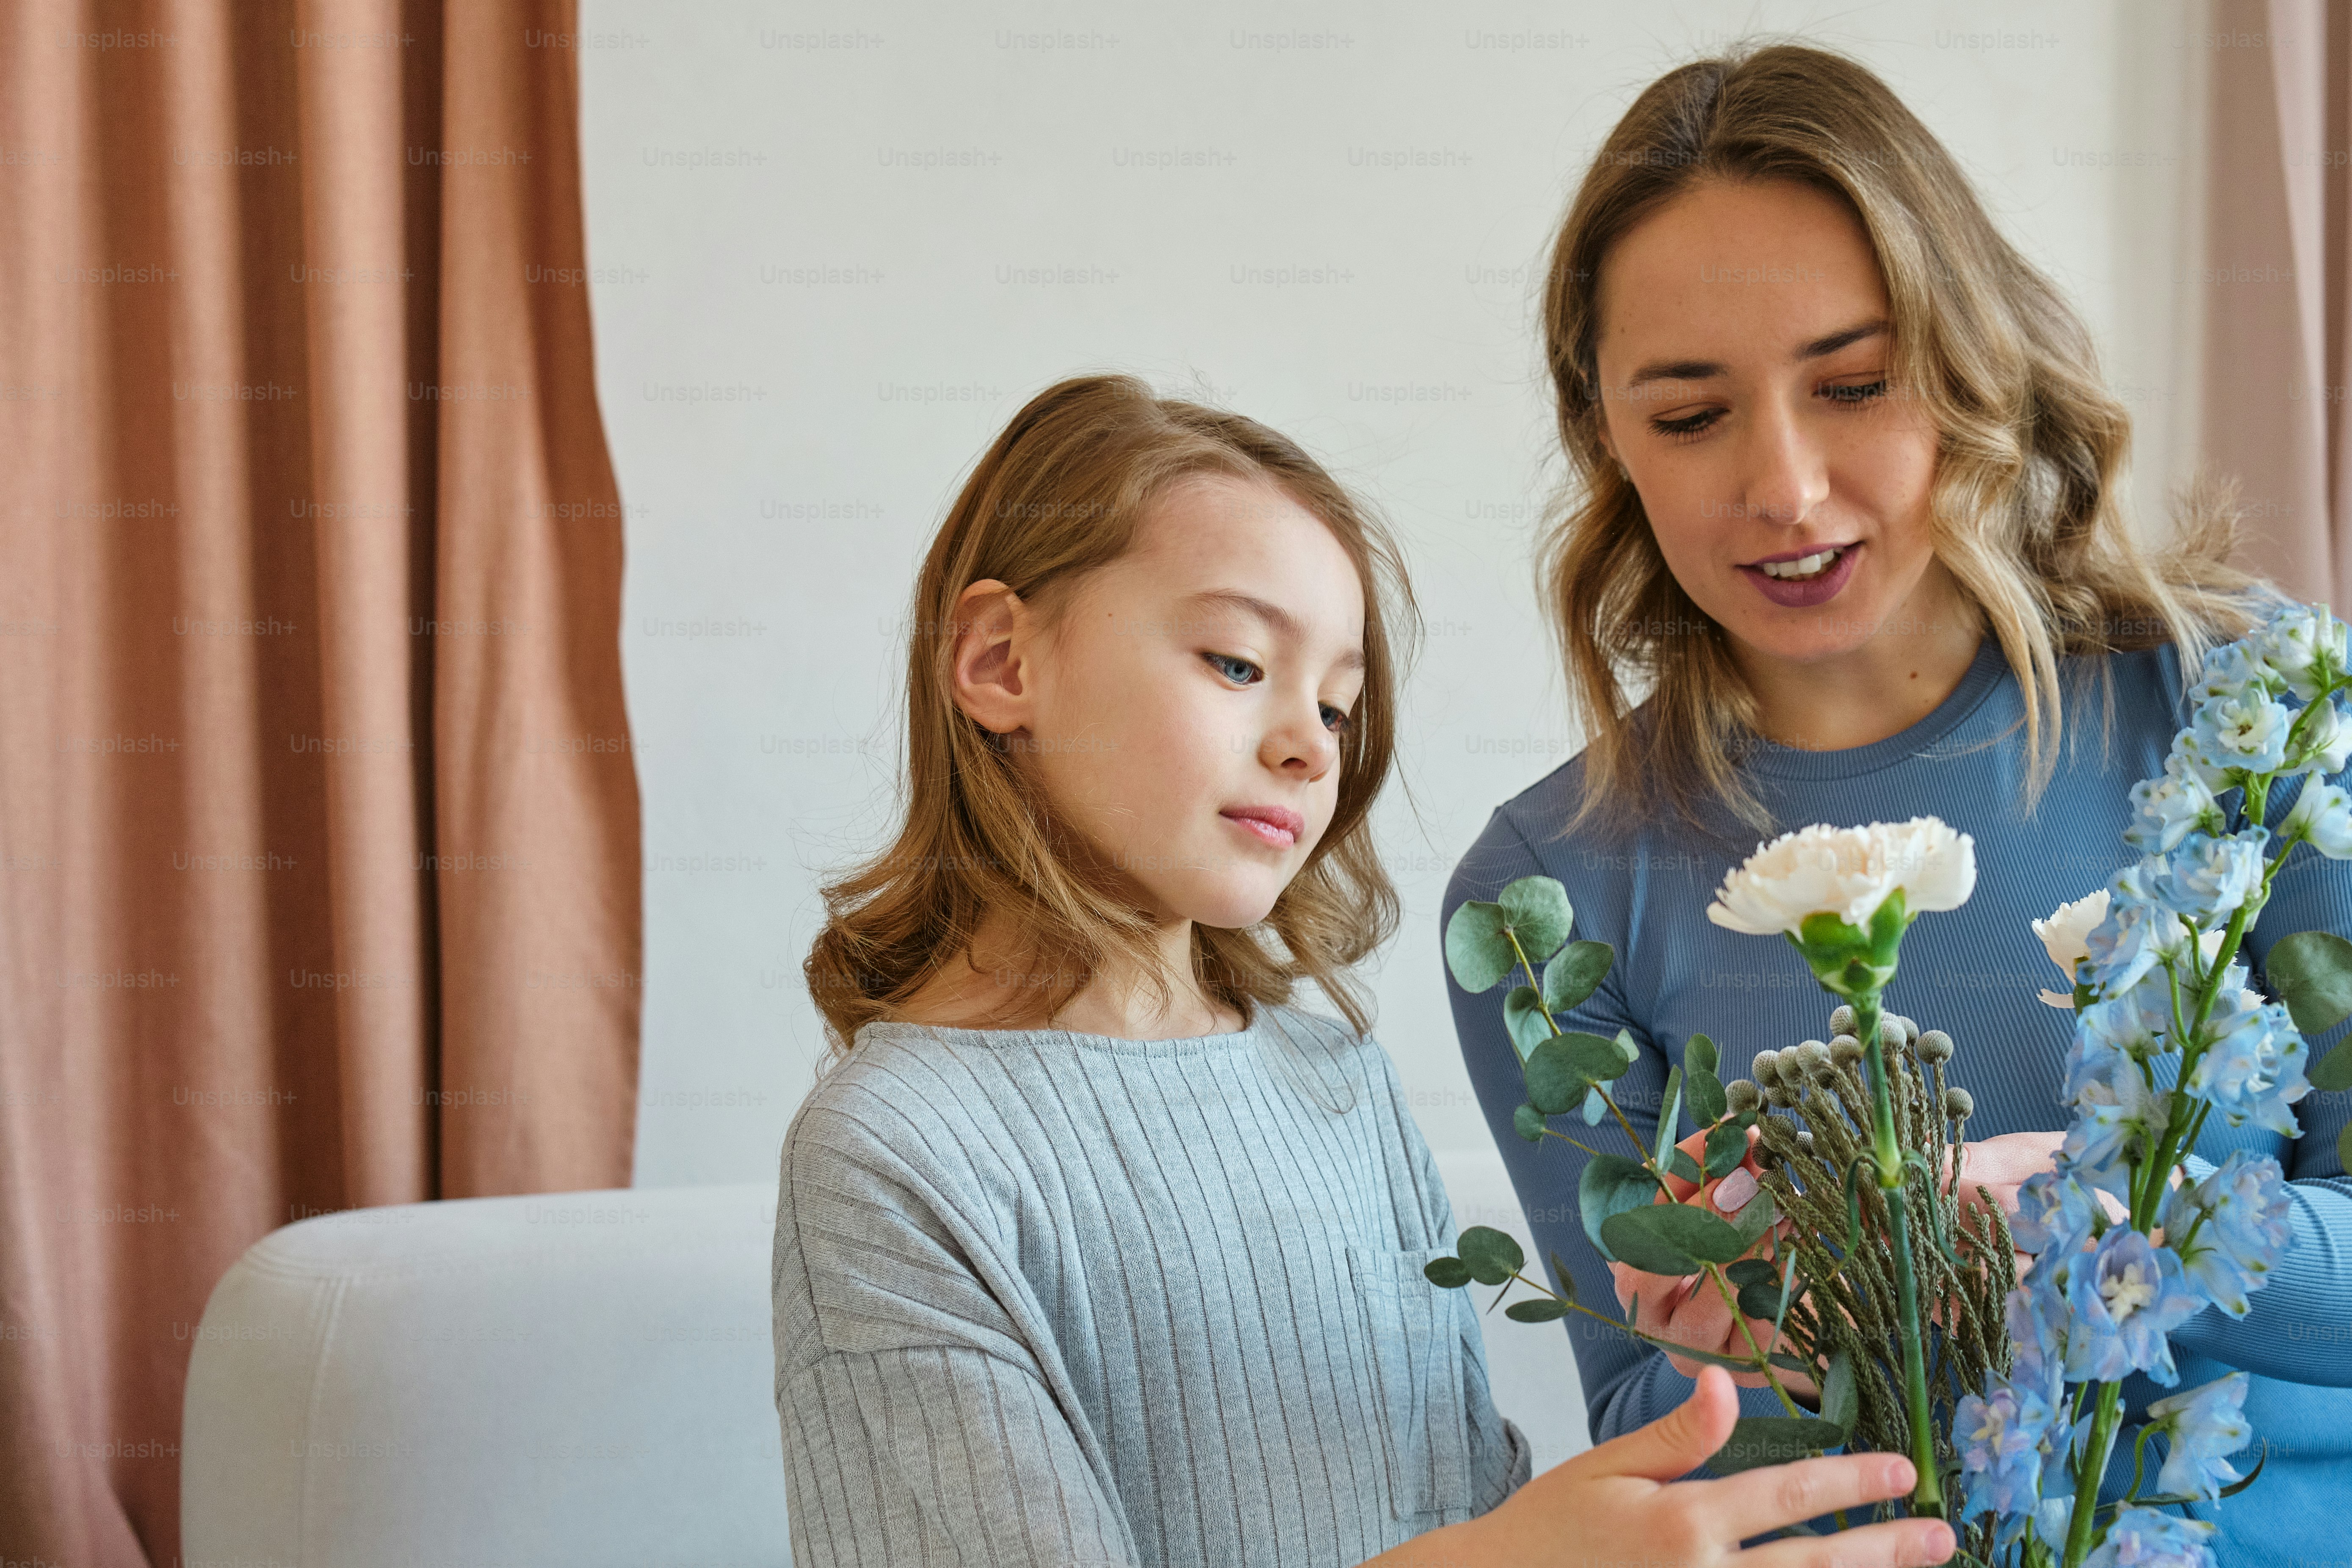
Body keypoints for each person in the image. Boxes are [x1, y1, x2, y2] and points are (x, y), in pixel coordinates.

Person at [776, 374, 1957, 1567]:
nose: (1306, 745)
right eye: (1238, 663)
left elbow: (1459, 1516)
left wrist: (1736, 1348)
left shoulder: (1330, 1076)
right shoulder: (893, 1151)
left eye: (1338, 708)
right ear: (998, 662)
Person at [1443, 42, 2352, 1568]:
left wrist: (2070, 1209)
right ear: (1604, 433)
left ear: (1967, 364)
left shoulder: (2259, 719)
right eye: (1688, 416)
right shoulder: (1550, 901)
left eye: (1852, 385)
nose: (1783, 488)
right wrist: (1765, 1321)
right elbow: (1649, 1441)